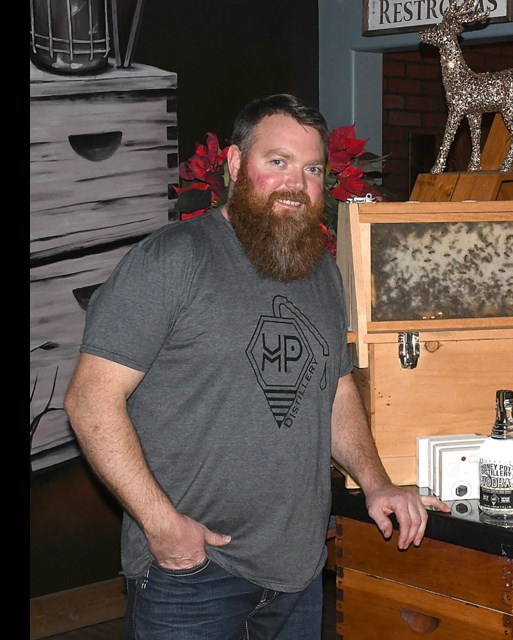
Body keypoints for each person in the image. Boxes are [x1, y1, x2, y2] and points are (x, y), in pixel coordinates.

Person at [63, 93, 449, 639]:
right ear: (236, 164)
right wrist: (162, 524)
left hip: (297, 574)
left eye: (312, 168)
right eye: (278, 162)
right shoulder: (173, 259)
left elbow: (335, 391)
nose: (297, 182)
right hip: (194, 576)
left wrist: (376, 481)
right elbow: (89, 399)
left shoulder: (320, 273)